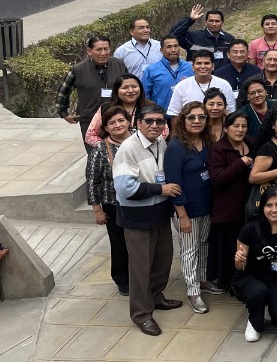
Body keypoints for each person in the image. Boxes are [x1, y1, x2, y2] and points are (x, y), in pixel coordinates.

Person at [112, 104, 180, 336]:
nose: (155, 125)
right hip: (137, 218)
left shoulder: (161, 142)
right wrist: (160, 189)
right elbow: (125, 188)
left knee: (162, 261)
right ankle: (141, 314)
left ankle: (156, 296)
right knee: (140, 269)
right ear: (138, 123)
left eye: (159, 121)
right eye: (149, 121)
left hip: (160, 215)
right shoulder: (128, 148)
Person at [164, 101, 213, 314]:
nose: (197, 121)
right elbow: (174, 184)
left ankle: (202, 280)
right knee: (189, 250)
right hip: (188, 210)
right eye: (191, 117)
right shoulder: (176, 147)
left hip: (207, 206)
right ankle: (193, 291)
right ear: (183, 120)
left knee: (203, 244)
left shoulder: (207, 141)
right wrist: (182, 215)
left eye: (201, 117)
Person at [233, 186, 277, 342]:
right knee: (258, 292)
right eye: (269, 205)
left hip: (276, 276)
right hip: (250, 276)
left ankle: (267, 304)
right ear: (262, 207)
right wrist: (239, 259)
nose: (274, 210)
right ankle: (254, 321)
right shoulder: (249, 229)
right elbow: (240, 267)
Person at [86, 106, 132, 295]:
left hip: (140, 201)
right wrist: (97, 210)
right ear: (105, 127)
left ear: (129, 121)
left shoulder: (139, 141)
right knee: (119, 243)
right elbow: (92, 180)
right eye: (112, 123)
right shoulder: (100, 149)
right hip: (113, 205)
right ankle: (123, 280)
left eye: (121, 120)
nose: (117, 125)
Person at [206, 112, 253, 295]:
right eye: (236, 126)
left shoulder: (250, 143)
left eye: (244, 126)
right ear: (226, 128)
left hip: (247, 206)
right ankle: (229, 283)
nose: (240, 130)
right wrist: (240, 163)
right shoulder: (218, 149)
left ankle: (245, 278)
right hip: (226, 208)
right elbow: (217, 179)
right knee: (228, 248)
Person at [55, 33, 127, 148]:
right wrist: (64, 113)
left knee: (119, 151)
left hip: (116, 118)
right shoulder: (78, 69)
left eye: (106, 49)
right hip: (89, 119)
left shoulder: (119, 64)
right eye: (99, 50)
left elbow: (128, 87)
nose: (103, 53)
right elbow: (63, 91)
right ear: (89, 51)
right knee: (95, 153)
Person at [84, 73, 150, 146]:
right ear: (116, 90)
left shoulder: (149, 108)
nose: (130, 90)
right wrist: (109, 147)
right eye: (125, 88)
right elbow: (90, 136)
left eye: (134, 86)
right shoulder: (106, 108)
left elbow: (160, 133)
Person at [167, 49, 236, 117]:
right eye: (199, 63)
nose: (203, 66)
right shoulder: (181, 86)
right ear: (192, 67)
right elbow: (175, 114)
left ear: (213, 66)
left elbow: (230, 112)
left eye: (207, 63)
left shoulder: (224, 85)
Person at [169, 4, 237, 61]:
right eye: (211, 21)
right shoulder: (193, 37)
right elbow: (173, 35)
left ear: (222, 23)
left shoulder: (229, 39)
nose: (214, 24)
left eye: (217, 21)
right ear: (206, 22)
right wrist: (190, 20)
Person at [142, 35, 192, 110]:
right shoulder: (151, 70)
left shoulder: (190, 68)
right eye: (169, 47)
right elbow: (145, 95)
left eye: (176, 46)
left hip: (186, 113)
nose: (173, 50)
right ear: (161, 50)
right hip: (161, 114)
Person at [237, 77, 272, 143]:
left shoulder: (276, 106)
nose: (257, 95)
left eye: (259, 91)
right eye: (252, 93)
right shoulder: (242, 114)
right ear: (247, 96)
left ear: (266, 92)